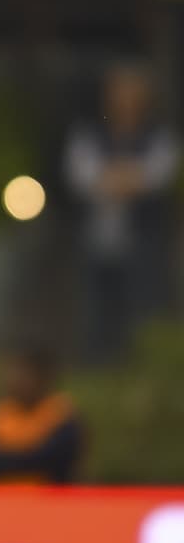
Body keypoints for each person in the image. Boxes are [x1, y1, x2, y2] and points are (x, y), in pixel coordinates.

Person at [60, 60, 180, 364]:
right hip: (98, 239)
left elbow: (159, 175)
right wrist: (128, 177)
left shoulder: (158, 135)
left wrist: (110, 178)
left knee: (143, 309)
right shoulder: (89, 132)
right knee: (96, 313)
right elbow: (80, 176)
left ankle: (141, 371)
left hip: (144, 240)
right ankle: (98, 368)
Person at [0, 344, 85, 483]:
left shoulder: (60, 414)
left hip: (47, 500)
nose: (15, 380)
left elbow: (52, 460)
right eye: (11, 373)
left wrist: (3, 458)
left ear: (43, 378)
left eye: (23, 374)